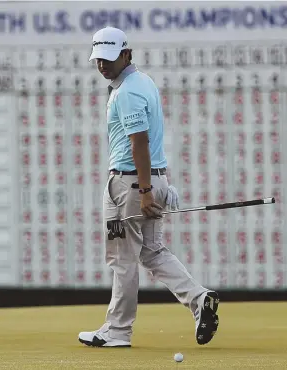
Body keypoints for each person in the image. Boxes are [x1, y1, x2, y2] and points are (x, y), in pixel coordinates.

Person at [78, 27, 219, 348]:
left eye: (109, 58)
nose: (102, 65)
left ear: (127, 54)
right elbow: (150, 141)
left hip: (130, 184)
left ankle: (117, 331)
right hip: (151, 178)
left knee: (122, 258)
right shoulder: (144, 82)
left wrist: (143, 191)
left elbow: (139, 141)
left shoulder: (126, 91)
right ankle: (200, 299)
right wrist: (158, 183)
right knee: (152, 251)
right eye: (98, 59)